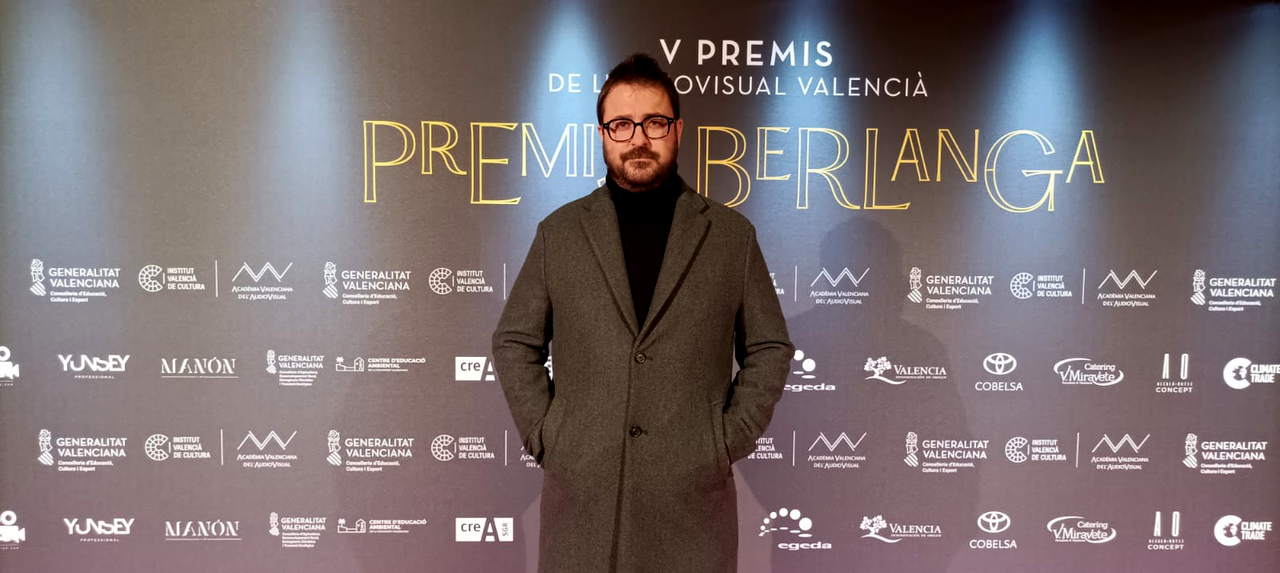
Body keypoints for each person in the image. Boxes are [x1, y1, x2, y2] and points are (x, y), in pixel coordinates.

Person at [492, 52, 792, 573]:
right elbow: (515, 340)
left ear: (677, 129)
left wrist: (724, 439)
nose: (638, 139)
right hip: (584, 507)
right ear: (603, 134)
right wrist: (549, 433)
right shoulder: (559, 234)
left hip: (690, 512)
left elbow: (769, 346)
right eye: (622, 124)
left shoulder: (730, 236)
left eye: (654, 122)